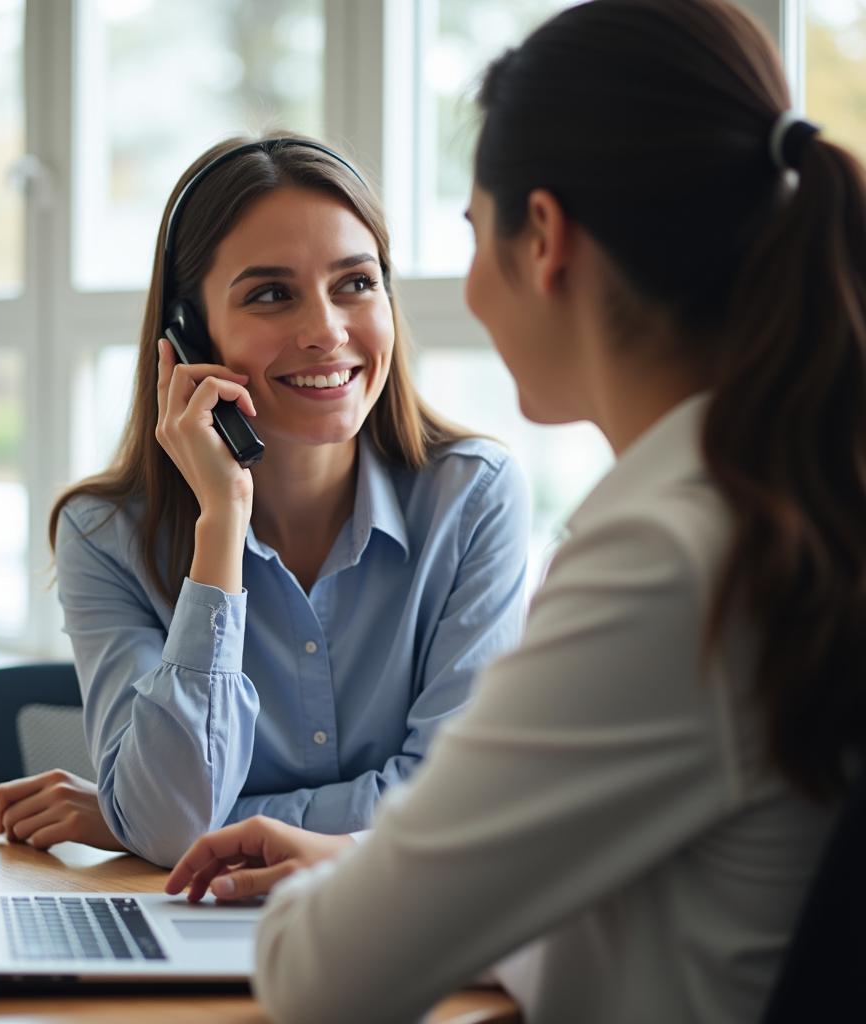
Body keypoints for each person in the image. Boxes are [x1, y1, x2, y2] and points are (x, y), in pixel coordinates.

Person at [164, 2, 866, 1021]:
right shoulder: (780, 499)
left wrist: (360, 885)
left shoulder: (665, 557)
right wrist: (364, 856)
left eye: (468, 238)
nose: (472, 292)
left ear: (541, 238)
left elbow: (322, 978)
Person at [0, 134, 530, 867]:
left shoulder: (473, 499)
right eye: (271, 294)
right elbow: (173, 823)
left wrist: (148, 820)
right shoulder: (104, 536)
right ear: (187, 336)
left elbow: (462, 803)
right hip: (189, 930)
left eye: (356, 283)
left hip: (399, 928)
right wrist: (221, 524)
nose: (327, 332)